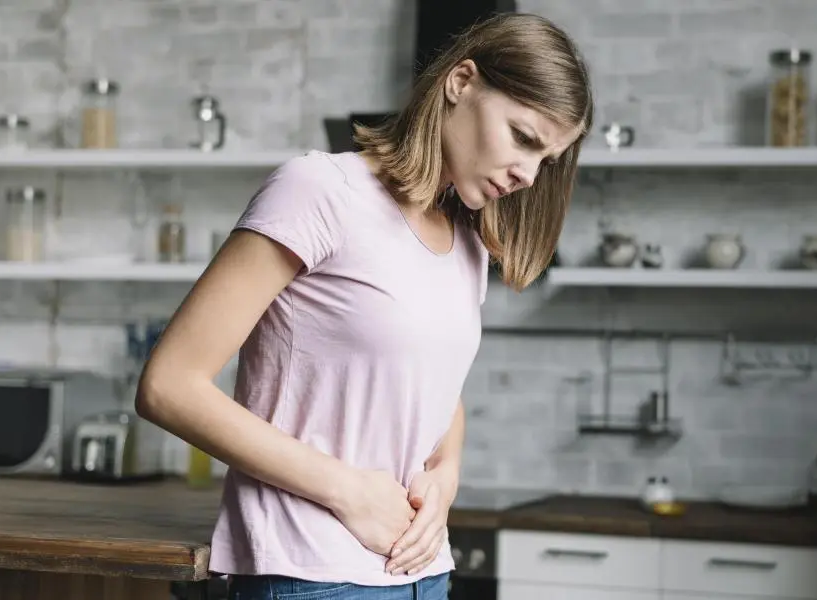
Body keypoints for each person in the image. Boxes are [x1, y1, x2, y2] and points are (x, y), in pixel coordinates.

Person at [134, 12, 593, 600]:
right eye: (524, 138)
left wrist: (445, 479)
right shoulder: (320, 191)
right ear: (461, 83)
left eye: (546, 160)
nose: (529, 174)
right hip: (311, 574)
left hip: (422, 573)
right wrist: (348, 491)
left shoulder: (470, 241)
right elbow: (169, 385)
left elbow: (436, 392)